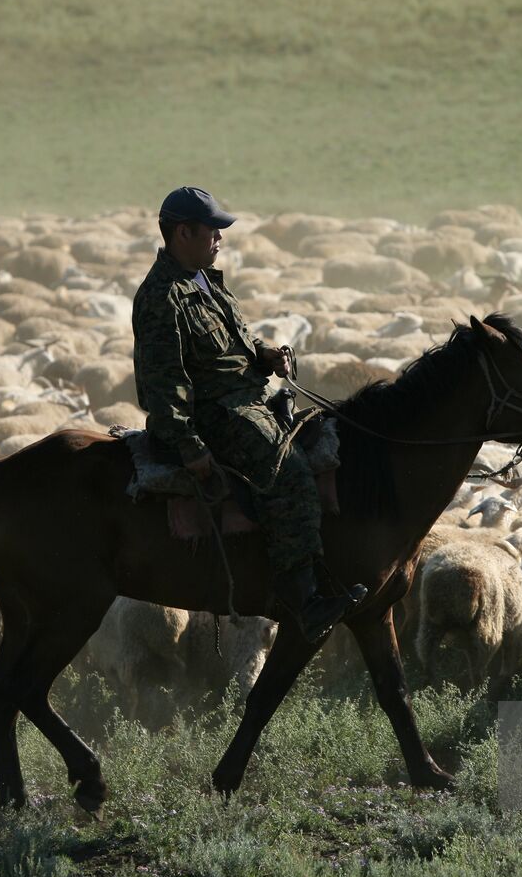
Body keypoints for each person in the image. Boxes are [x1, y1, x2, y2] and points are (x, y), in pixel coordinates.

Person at [131, 186, 362, 641]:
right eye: (213, 230)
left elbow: (229, 347)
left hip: (245, 398)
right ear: (184, 232)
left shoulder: (205, 281)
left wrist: (263, 356)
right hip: (215, 415)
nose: (220, 238)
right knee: (291, 474)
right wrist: (189, 446)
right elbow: (163, 383)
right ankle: (303, 599)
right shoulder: (162, 296)